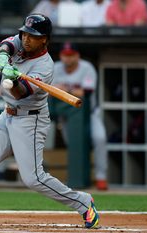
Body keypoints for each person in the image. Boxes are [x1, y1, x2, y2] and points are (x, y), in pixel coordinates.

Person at [0, 14, 100, 229]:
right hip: (6, 115)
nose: (26, 39)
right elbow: (6, 45)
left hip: (30, 120)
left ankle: (83, 202)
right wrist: (2, 59)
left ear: (44, 39)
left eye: (32, 36)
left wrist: (14, 79)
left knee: (33, 178)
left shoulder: (45, 67)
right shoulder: (20, 41)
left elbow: (20, 93)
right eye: (24, 33)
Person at [52, 42, 108, 191]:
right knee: (72, 144)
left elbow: (86, 92)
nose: (68, 58)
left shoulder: (86, 67)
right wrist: (72, 90)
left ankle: (101, 177)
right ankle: (79, 179)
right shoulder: (55, 68)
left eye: (71, 55)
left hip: (89, 113)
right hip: (65, 115)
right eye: (65, 55)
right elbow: (49, 89)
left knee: (99, 138)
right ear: (61, 56)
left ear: (77, 56)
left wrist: (65, 88)